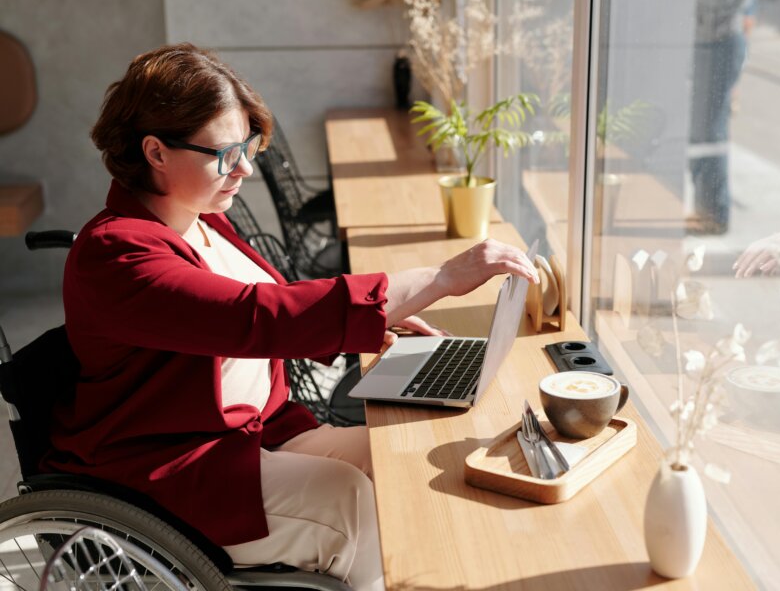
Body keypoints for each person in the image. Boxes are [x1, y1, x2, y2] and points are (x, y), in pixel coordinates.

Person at [42, 43, 539, 591]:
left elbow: (268, 306)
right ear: (155, 152)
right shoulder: (117, 254)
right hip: (173, 467)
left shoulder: (199, 217)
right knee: (351, 502)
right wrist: (440, 279)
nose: (246, 169)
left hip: (252, 434)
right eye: (225, 154)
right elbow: (256, 317)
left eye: (248, 147)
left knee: (402, 458)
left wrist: (383, 321)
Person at [687, 0, 752, 235]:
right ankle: (706, 209)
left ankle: (713, 213)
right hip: (707, 41)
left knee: (708, 134)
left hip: (717, 42)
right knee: (701, 132)